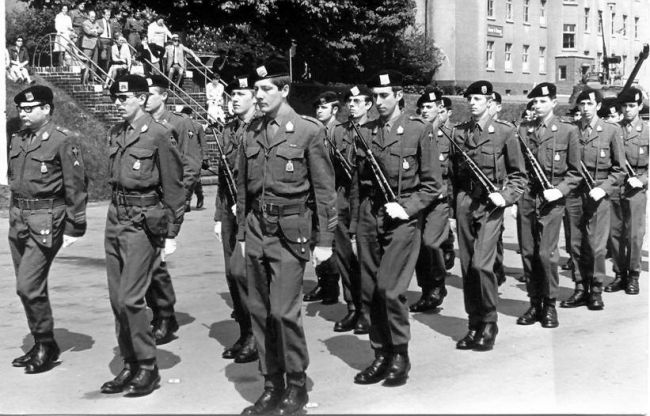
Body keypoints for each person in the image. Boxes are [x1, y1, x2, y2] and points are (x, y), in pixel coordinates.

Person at [236, 60, 337, 415]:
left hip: (290, 231)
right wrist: (240, 234)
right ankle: (270, 383)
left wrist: (325, 241)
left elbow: (325, 192)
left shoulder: (308, 131)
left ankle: (296, 384)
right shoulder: (250, 131)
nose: (258, 96)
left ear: (285, 90)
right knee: (260, 312)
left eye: (266, 89)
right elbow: (242, 189)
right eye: (256, 90)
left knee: (284, 312)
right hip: (256, 229)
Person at [350, 70, 442, 386]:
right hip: (369, 217)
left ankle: (400, 354)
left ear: (399, 95)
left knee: (389, 289)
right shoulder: (365, 131)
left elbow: (432, 186)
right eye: (374, 97)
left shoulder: (419, 130)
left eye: (384, 96)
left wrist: (405, 207)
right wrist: (355, 224)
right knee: (370, 291)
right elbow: (358, 183)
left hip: (401, 220)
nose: (378, 102)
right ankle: (380, 353)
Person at [101, 75, 185, 396]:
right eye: (115, 99)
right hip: (115, 218)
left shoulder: (161, 134)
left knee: (131, 298)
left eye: (124, 98)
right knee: (116, 299)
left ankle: (148, 365)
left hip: (142, 220)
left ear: (141, 98)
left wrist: (171, 232)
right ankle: (129, 362)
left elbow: (175, 189)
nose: (118, 104)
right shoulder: (116, 133)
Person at [8, 85, 87, 374]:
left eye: (31, 109)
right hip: (18, 218)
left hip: (46, 219)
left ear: (47, 110)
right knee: (28, 288)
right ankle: (43, 342)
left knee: (27, 285)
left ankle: (45, 342)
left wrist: (74, 225)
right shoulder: (18, 139)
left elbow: (76, 186)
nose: (24, 113)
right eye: (21, 109)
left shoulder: (62, 141)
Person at [451, 80, 527, 351]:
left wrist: (506, 197)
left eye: (478, 99)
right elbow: (452, 174)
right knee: (468, 266)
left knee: (483, 265)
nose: (472, 103)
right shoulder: (457, 132)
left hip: (491, 204)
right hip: (464, 202)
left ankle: (489, 322)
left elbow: (519, 176)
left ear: (489, 102)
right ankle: (474, 323)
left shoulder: (505, 133)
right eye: (469, 98)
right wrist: (453, 207)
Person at [515, 83, 581, 329]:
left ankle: (550, 304)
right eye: (535, 102)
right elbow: (518, 169)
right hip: (527, 198)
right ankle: (534, 303)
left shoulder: (567, 131)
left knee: (546, 254)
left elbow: (575, 173)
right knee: (529, 252)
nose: (538, 105)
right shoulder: (523, 129)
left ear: (554, 102)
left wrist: (559, 191)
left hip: (551, 200)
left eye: (543, 101)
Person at [143, 75, 202, 344]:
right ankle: (159, 311)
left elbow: (190, 167)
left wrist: (176, 208)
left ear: (164, 95)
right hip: (142, 203)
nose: (144, 97)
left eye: (149, 93)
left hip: (165, 203)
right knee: (144, 263)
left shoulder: (180, 123)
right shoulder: (140, 125)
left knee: (156, 262)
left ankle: (164, 315)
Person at [560, 88, 625, 310]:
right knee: (575, 244)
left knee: (596, 246)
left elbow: (620, 170)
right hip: (574, 193)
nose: (585, 108)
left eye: (590, 104)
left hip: (598, 193)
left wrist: (605, 188)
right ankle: (580, 287)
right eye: (582, 104)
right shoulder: (570, 131)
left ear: (598, 106)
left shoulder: (610, 131)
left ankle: (596, 289)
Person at [213, 74, 259, 364]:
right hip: (229, 210)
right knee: (232, 274)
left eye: (242, 94)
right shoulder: (229, 130)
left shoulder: (262, 129)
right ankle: (245, 331)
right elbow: (222, 177)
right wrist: (219, 215)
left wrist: (246, 206)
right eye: (233, 95)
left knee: (245, 273)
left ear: (255, 96)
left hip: (252, 211)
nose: (235, 99)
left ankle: (257, 334)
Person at [328, 85, 373, 334]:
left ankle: (367, 310)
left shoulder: (374, 131)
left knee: (364, 259)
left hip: (365, 200)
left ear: (369, 104)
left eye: (358, 101)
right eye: (349, 101)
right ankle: (353, 308)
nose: (352, 105)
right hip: (342, 198)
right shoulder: (338, 132)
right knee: (345, 257)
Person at [409, 87, 452, 313]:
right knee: (418, 247)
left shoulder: (449, 136)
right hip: (419, 198)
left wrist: (449, 194)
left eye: (429, 107)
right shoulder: (414, 133)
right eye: (422, 107)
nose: (425, 111)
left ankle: (437, 285)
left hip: (439, 201)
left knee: (431, 243)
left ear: (440, 109)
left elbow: (457, 172)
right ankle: (427, 291)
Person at [605, 88, 648, 295]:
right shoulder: (613, 129)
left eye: (632, 106)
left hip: (636, 189)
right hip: (616, 187)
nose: (628, 110)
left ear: (640, 106)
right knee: (614, 233)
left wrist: (642, 180)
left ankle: (633, 275)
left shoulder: (647, 131)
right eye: (625, 106)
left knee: (634, 235)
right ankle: (619, 273)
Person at [303, 91, 342, 305]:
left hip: (330, 195)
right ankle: (323, 282)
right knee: (314, 240)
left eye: (324, 107)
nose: (319, 110)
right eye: (317, 107)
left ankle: (332, 286)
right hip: (313, 196)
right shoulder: (313, 131)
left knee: (329, 241)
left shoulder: (338, 132)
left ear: (334, 110)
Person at [437, 96, 457, 271]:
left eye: (441, 111)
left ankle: (448, 249)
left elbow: (454, 172)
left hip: (447, 189)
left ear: (449, 113)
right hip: (432, 189)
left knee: (444, 230)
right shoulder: (428, 131)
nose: (438, 114)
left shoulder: (453, 134)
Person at [177, 106, 207, 209]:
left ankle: (199, 196)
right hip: (183, 156)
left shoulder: (197, 127)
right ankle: (187, 201)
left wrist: (205, 158)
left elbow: (203, 144)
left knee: (196, 180)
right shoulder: (178, 126)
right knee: (186, 180)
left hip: (195, 157)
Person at [97, 9, 121, 73]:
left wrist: (118, 37)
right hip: (102, 40)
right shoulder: (99, 21)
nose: (108, 16)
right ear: (103, 15)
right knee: (103, 57)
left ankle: (105, 73)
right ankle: (101, 73)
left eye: (109, 15)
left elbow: (115, 32)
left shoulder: (111, 22)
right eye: (107, 15)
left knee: (108, 58)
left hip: (110, 41)